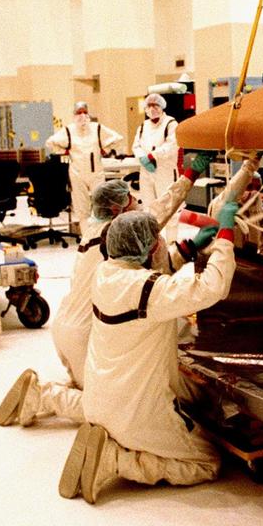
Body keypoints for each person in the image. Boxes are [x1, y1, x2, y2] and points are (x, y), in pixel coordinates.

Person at [0, 152, 218, 428]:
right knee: (115, 405)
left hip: (67, 328)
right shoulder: (118, 233)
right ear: (116, 210)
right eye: (132, 200)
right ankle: (44, 396)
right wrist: (191, 175)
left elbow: (149, 267)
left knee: (97, 384)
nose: (137, 203)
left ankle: (53, 389)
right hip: (85, 334)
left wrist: (190, 247)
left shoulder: (96, 232)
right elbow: (162, 209)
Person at [58, 198, 242, 504]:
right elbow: (212, 287)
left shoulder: (106, 273)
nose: (159, 241)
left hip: (98, 400)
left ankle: (49, 398)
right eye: (155, 237)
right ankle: (116, 460)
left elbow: (148, 273)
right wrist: (224, 238)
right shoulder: (148, 291)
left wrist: (189, 248)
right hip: (134, 413)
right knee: (206, 461)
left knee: (189, 400)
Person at [44, 101, 124, 232]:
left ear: (88, 114)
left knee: (101, 205)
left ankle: (100, 235)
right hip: (77, 174)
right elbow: (50, 143)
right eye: (79, 112)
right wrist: (63, 150)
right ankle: (85, 238)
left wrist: (106, 148)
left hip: (96, 172)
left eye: (84, 112)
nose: (82, 115)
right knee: (82, 209)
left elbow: (118, 138)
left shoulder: (97, 128)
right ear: (74, 115)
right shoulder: (69, 130)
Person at [131, 93, 180, 207]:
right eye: (149, 105)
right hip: (146, 171)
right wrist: (142, 157)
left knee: (167, 205)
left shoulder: (170, 123)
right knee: (148, 205)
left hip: (164, 171)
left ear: (162, 106)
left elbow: (172, 145)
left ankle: (169, 226)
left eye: (155, 105)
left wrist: (152, 156)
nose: (152, 109)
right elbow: (136, 145)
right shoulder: (144, 126)